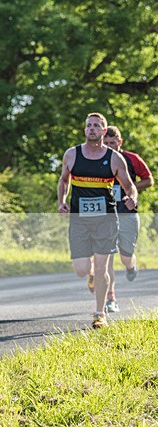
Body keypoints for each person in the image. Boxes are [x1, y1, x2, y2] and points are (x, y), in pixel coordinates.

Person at [57, 112, 138, 329]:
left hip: (106, 220)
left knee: (103, 266)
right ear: (85, 130)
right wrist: (61, 202)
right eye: (88, 125)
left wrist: (132, 198)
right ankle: (90, 274)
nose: (91, 129)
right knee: (82, 269)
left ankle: (100, 313)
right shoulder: (72, 155)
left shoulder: (114, 158)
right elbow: (63, 182)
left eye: (96, 126)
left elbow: (130, 186)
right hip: (79, 220)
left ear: (103, 131)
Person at [100, 125, 153, 313]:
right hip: (105, 215)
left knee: (125, 256)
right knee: (107, 257)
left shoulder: (131, 158)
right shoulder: (97, 159)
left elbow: (149, 179)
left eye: (112, 143)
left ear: (119, 142)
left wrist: (129, 189)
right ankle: (110, 298)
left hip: (127, 213)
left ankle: (131, 267)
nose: (108, 146)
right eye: (105, 143)